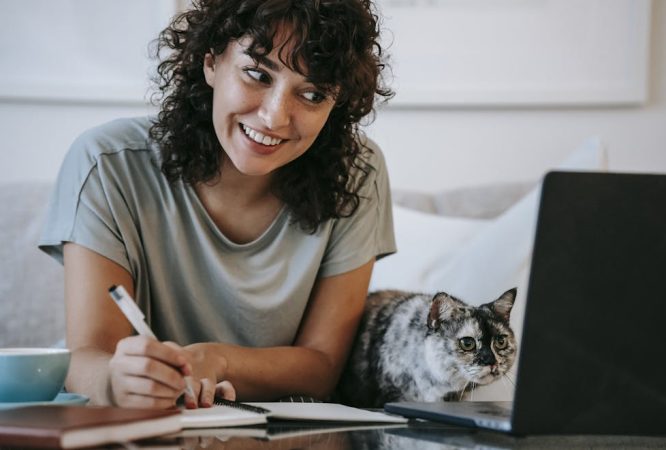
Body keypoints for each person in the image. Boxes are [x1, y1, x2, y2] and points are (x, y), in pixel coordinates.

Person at [39, 0, 394, 410]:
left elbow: (322, 366)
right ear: (211, 61)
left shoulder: (357, 173)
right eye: (258, 74)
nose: (275, 117)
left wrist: (218, 360)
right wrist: (116, 382)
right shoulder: (106, 164)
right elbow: (89, 357)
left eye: (313, 94)